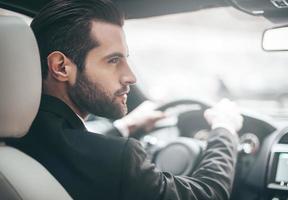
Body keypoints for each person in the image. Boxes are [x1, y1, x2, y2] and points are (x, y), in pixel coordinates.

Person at [6, 0, 243, 199]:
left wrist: (123, 127)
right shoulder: (119, 159)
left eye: (126, 59)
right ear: (61, 67)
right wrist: (225, 130)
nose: (131, 76)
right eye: (113, 60)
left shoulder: (19, 136)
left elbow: (77, 152)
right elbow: (208, 194)